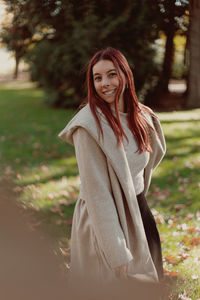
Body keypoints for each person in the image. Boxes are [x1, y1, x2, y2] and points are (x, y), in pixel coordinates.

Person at [58, 47, 166, 290]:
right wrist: (115, 249)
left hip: (138, 210)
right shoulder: (88, 126)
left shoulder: (140, 116)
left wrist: (137, 194)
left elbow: (152, 156)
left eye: (112, 74)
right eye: (98, 78)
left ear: (125, 75)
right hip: (105, 221)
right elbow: (97, 194)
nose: (105, 83)